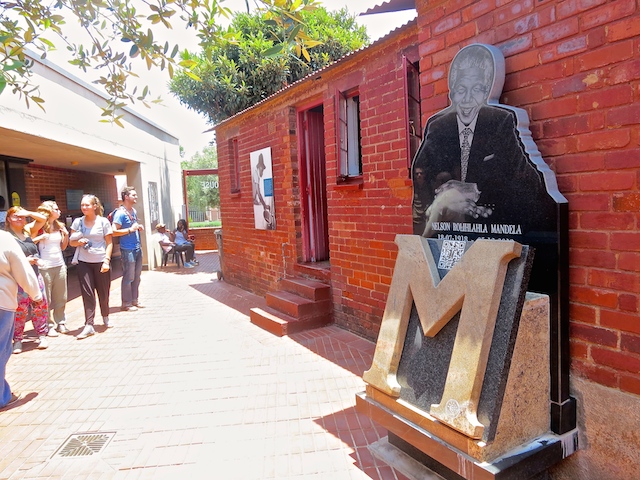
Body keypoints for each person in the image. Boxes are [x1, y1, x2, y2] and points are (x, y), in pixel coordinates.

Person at [412, 44, 549, 238]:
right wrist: (443, 199)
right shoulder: (437, 126)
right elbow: (422, 177)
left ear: (487, 91)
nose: (467, 99)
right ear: (451, 92)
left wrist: (476, 190)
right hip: (447, 227)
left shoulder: (503, 121)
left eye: (476, 89)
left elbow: (531, 185)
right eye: (461, 89)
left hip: (492, 227)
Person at [0, 229, 43, 409]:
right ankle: (2, 396)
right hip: (2, 302)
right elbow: (21, 268)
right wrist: (35, 293)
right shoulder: (4, 238)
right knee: (2, 349)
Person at [4, 206, 50, 352]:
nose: (20, 219)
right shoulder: (6, 237)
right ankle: (17, 340)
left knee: (39, 305)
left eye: (22, 216)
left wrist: (28, 213)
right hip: (18, 279)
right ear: (9, 219)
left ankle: (42, 334)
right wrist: (24, 261)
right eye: (16, 216)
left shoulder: (28, 231)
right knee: (20, 310)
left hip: (35, 275)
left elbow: (43, 219)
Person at [69, 195, 113, 339]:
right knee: (87, 293)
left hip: (100, 261)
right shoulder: (77, 222)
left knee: (103, 292)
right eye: (82, 205)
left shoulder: (103, 222)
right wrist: (79, 242)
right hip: (83, 262)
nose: (84, 207)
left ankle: (105, 316)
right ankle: (89, 324)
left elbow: (109, 243)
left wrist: (107, 260)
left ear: (95, 206)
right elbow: (71, 243)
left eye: (87, 205)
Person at [33, 201, 70, 334]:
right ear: (49, 211)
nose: (59, 211)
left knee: (61, 296)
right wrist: (40, 237)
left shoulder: (60, 226)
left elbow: (63, 247)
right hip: (45, 266)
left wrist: (66, 235)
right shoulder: (40, 227)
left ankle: (61, 322)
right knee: (46, 298)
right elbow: (29, 242)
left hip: (59, 264)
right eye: (56, 209)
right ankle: (48, 325)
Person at [111, 186, 144, 311]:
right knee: (128, 276)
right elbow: (114, 232)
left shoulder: (133, 211)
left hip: (137, 247)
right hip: (127, 249)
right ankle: (126, 303)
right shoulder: (120, 213)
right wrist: (130, 230)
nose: (136, 197)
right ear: (126, 197)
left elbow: (133, 226)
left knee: (137, 275)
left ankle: (135, 299)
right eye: (133, 195)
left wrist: (137, 227)